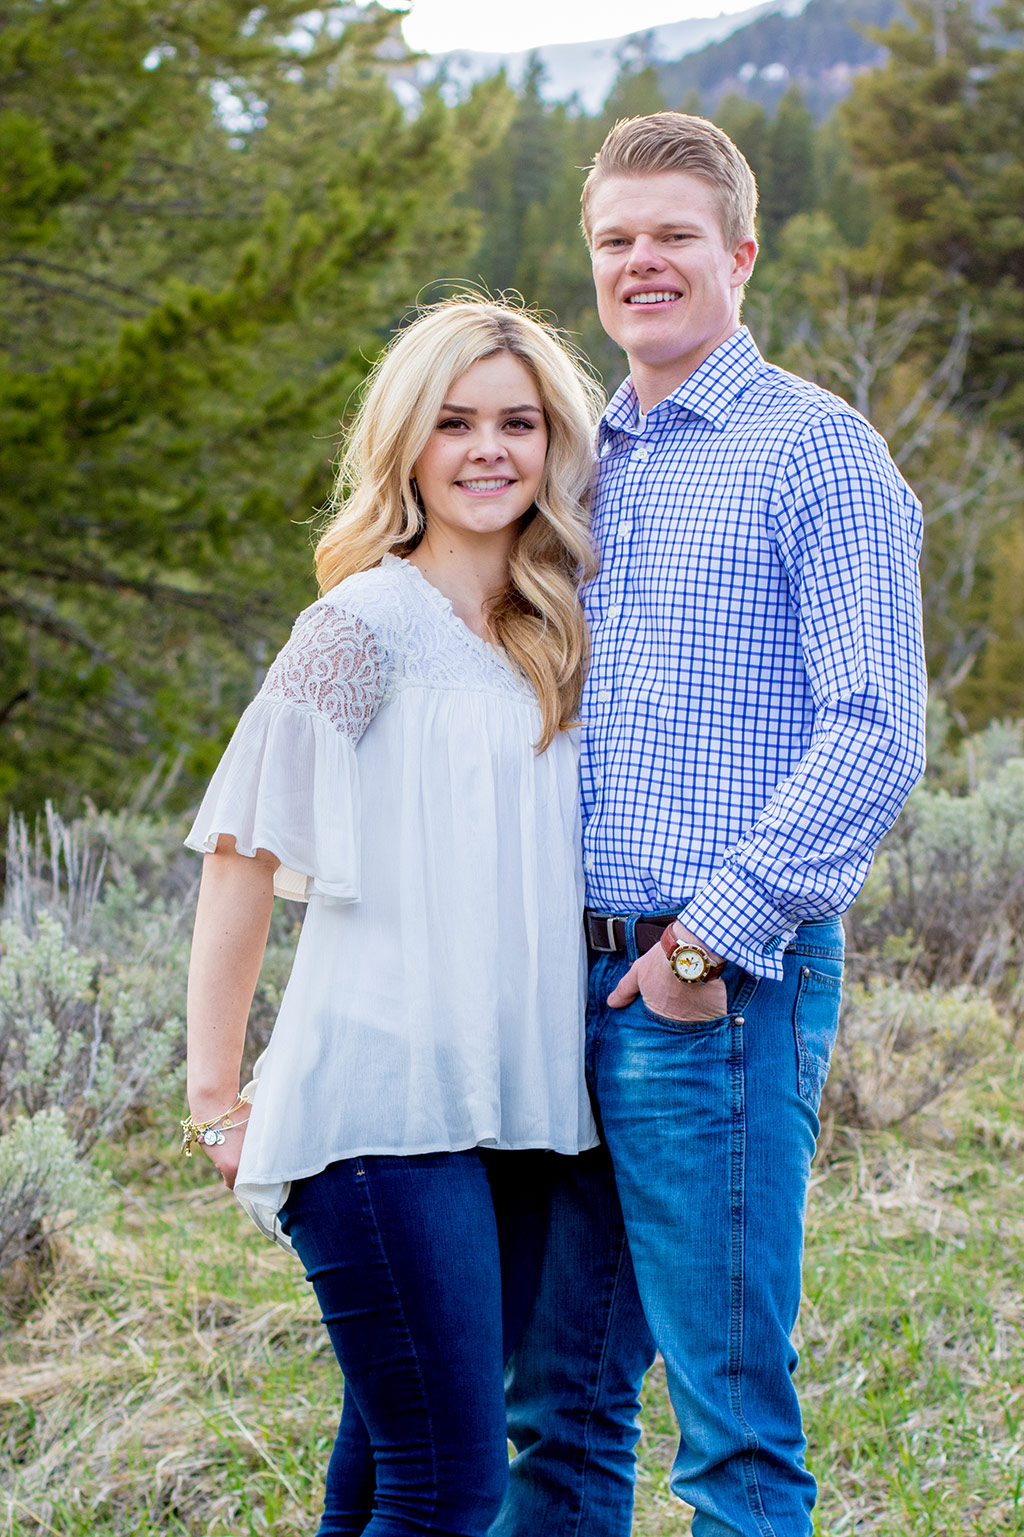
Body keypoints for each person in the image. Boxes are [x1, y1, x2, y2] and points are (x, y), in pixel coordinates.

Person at [495, 114, 928, 1537]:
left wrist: (704, 946)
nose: (642, 263)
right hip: (563, 987)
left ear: (740, 251)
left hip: (716, 995)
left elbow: (874, 730)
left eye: (673, 234)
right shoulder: (575, 464)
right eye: (615, 240)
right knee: (555, 1410)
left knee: (731, 1430)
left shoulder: (821, 453)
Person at [182, 298, 606, 1537]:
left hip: (516, 1110)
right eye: (454, 422)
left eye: (517, 423)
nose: (488, 450)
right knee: (450, 1487)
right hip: (383, 1109)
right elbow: (240, 857)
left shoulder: (555, 628)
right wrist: (217, 1093)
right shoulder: (361, 626)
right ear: (406, 446)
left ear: (554, 444)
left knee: (387, 1462)